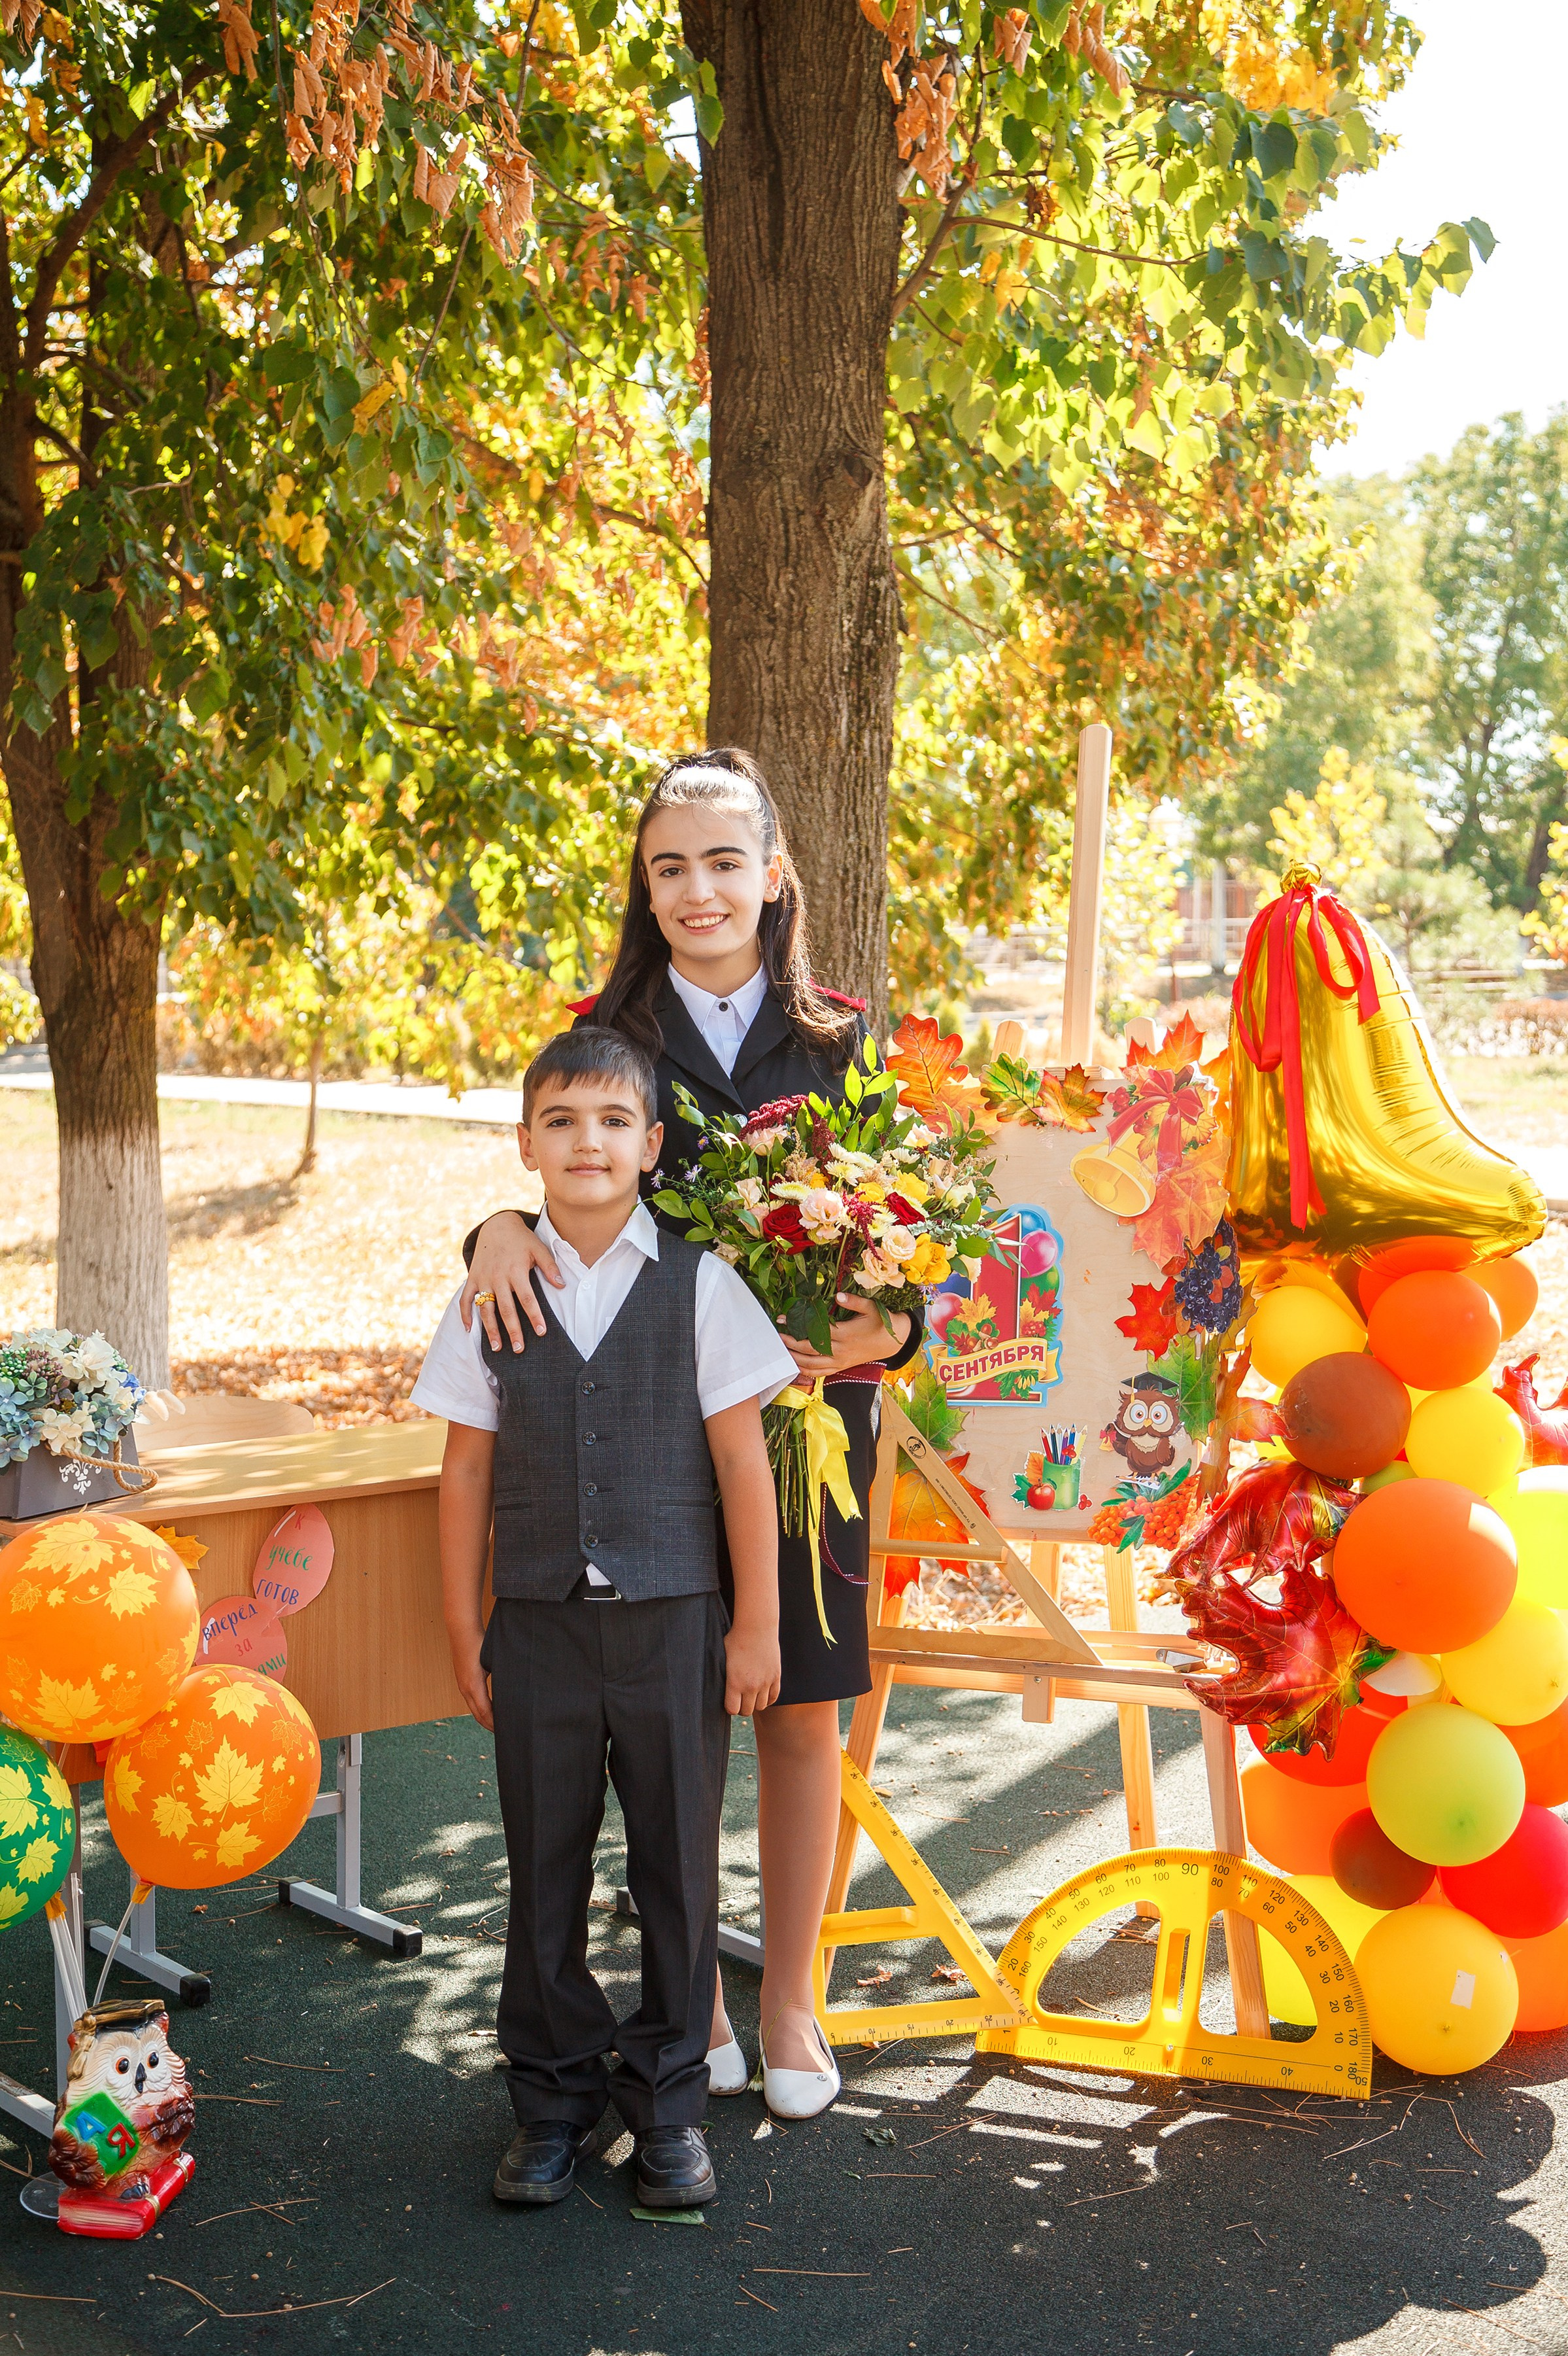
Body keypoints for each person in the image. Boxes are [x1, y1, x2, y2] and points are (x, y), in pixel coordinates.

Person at [459, 748, 921, 2120]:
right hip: (649, 1447)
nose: (699, 888)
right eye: (670, 866)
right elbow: (558, 1188)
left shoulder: (842, 1037)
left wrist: (873, 1340)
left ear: (774, 875)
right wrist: (485, 1229)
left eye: (725, 861)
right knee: (677, 1719)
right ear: (644, 889)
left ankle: (787, 1999)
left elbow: (910, 1254)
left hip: (810, 1432)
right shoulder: (611, 1024)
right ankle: (691, 2005)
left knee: (794, 1710)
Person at [414, 1024, 795, 2211]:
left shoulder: (700, 1283)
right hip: (534, 1626)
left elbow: (743, 1466)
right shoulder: (488, 1290)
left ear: (651, 1144)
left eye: (614, 1121)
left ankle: (670, 2101)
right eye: (563, 1121)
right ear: (525, 1143)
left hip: (676, 1625)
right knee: (544, 1867)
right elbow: (464, 1472)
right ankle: (551, 2100)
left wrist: (757, 1628)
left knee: (678, 1866)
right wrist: (463, 1625)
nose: (589, 1140)